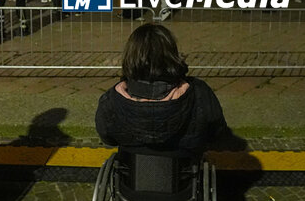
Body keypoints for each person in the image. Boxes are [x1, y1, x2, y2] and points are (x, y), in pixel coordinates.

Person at [94, 23, 227, 157]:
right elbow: (216, 133)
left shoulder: (112, 99)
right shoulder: (199, 92)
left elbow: (107, 138)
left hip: (133, 169)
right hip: (184, 167)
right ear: (172, 55)